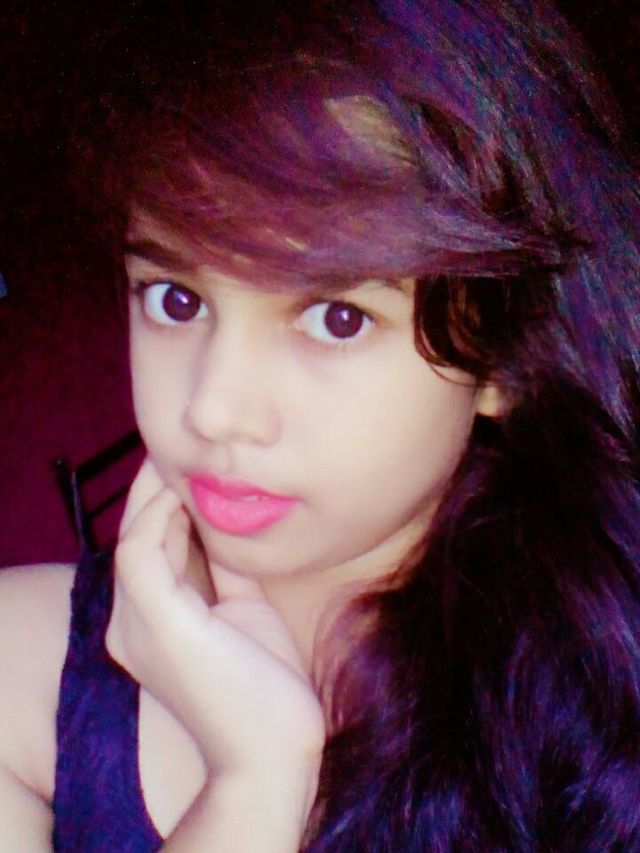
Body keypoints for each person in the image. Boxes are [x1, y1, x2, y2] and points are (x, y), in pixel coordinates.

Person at [1, 0, 639, 849]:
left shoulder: (608, 687)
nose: (213, 408)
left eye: (337, 318)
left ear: (505, 358)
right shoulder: (16, 669)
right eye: (176, 299)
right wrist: (253, 783)